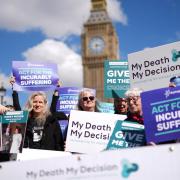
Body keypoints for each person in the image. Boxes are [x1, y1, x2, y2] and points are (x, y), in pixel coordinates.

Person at [9, 77, 65, 151]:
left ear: (44, 104)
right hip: (28, 158)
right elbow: (17, 108)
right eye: (35, 102)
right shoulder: (26, 120)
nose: (37, 104)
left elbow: (59, 143)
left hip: (48, 159)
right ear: (31, 103)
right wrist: (14, 88)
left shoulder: (52, 121)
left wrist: (57, 90)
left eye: (40, 102)